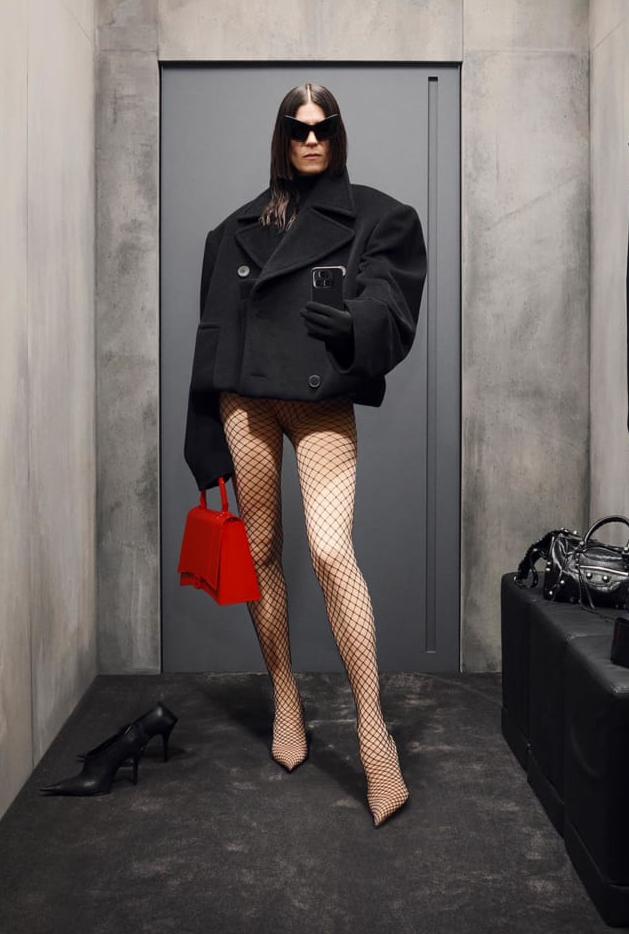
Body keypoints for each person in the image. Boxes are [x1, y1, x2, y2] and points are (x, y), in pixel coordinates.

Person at [184, 82, 427, 826]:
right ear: (282, 137)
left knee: (328, 550)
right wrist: (200, 434)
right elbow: (212, 337)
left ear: (338, 134)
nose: (311, 139)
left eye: (323, 128)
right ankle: (285, 696)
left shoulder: (379, 216)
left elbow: (391, 300)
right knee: (260, 548)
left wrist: (355, 321)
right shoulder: (231, 232)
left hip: (319, 399)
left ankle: (372, 730)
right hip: (246, 400)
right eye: (298, 128)